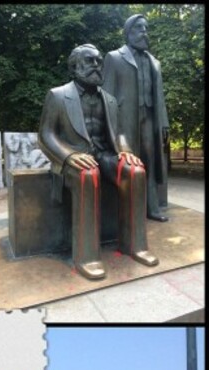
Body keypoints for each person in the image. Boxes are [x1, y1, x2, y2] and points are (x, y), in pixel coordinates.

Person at [38, 43, 159, 280]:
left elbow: (119, 133)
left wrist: (125, 151)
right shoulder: (58, 95)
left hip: (104, 154)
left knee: (135, 171)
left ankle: (135, 246)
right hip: (74, 160)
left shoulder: (110, 100)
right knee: (87, 174)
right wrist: (70, 156)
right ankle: (87, 256)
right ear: (74, 68)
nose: (96, 66)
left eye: (98, 61)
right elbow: (46, 135)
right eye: (89, 61)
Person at [103, 15, 169, 222]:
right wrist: (109, 126)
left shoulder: (153, 62)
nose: (144, 32)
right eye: (139, 28)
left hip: (149, 118)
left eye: (145, 28)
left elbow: (159, 96)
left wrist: (164, 122)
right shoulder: (114, 58)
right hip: (124, 120)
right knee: (130, 163)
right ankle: (130, 210)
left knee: (148, 160)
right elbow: (107, 94)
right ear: (128, 31)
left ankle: (152, 207)